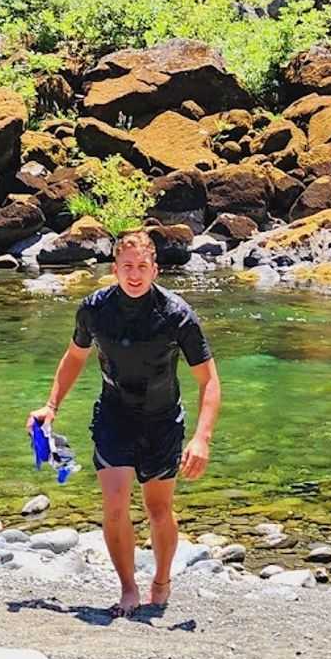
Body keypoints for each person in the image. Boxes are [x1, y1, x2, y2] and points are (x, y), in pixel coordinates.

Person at [26, 228, 221, 616]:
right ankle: (128, 589)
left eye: (142, 267)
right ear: (115, 269)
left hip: (163, 420)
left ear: (156, 270)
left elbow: (209, 380)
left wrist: (201, 438)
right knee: (115, 504)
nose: (135, 275)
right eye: (127, 267)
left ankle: (161, 579)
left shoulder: (177, 315)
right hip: (115, 415)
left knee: (158, 508)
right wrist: (51, 406)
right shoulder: (94, 309)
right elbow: (75, 358)